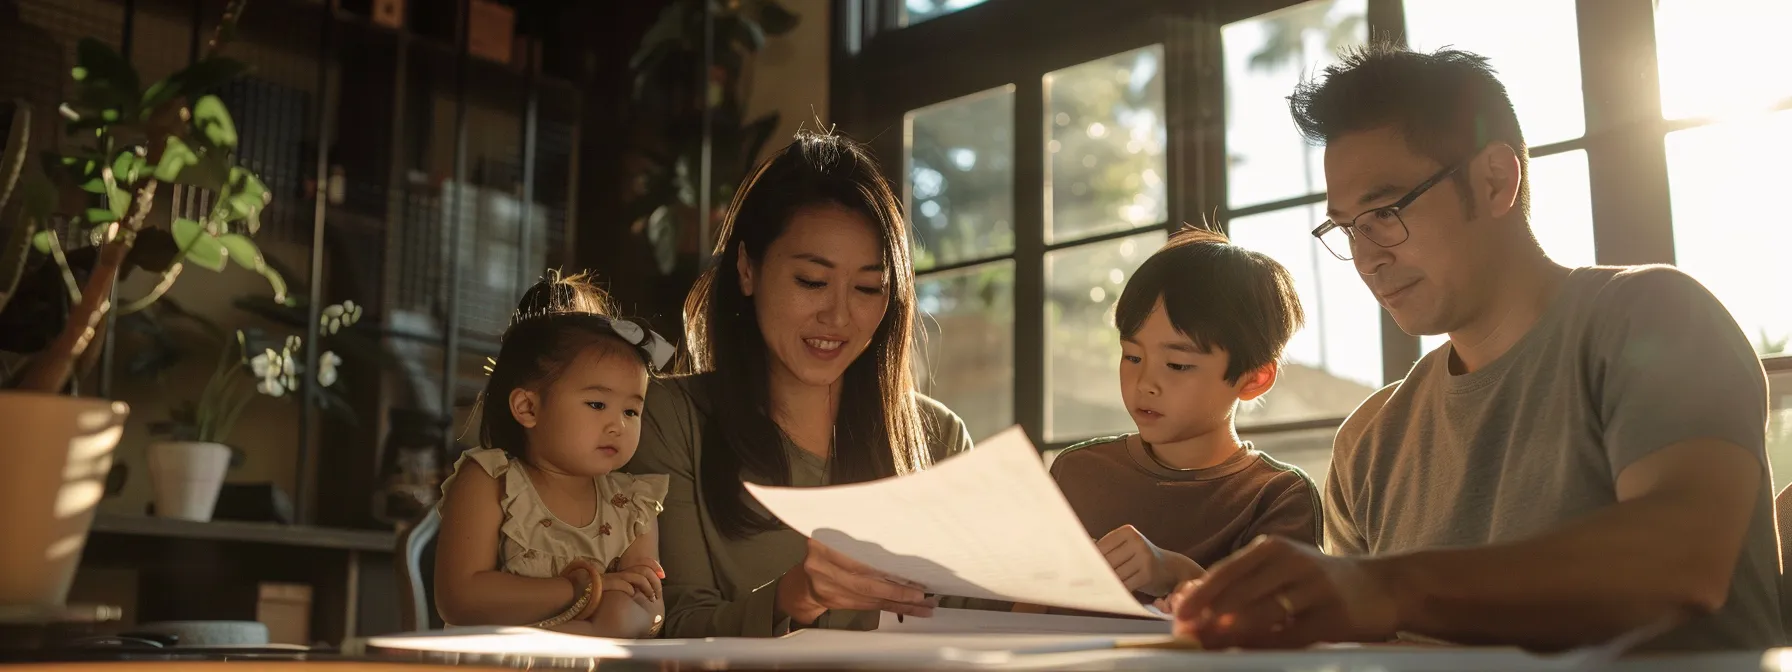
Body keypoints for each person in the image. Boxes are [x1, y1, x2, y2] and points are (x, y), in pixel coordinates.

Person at [1166, 44, 1782, 652]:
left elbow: (1683, 560)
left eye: (1384, 211)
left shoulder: (1652, 318)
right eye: (1346, 228)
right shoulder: (1373, 438)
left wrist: (1385, 587)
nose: (1367, 256)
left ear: (1494, 180)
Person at [628, 131, 977, 638]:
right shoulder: (668, 417)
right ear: (748, 269)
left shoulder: (936, 436)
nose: (838, 316)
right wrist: (796, 597)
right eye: (812, 281)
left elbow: (978, 621)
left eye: (866, 288)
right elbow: (668, 626)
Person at [1051, 227, 1320, 602]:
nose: (1145, 382)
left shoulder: (1275, 496)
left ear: (1255, 378)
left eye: (1176, 365)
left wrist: (1177, 575)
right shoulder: (1078, 470)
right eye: (1132, 356)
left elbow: (1288, 619)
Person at [434, 271, 680, 638]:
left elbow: (648, 603)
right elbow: (460, 597)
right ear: (528, 408)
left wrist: (610, 617)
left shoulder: (633, 504)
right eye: (597, 404)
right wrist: (585, 590)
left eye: (631, 411)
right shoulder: (490, 480)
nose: (618, 425)